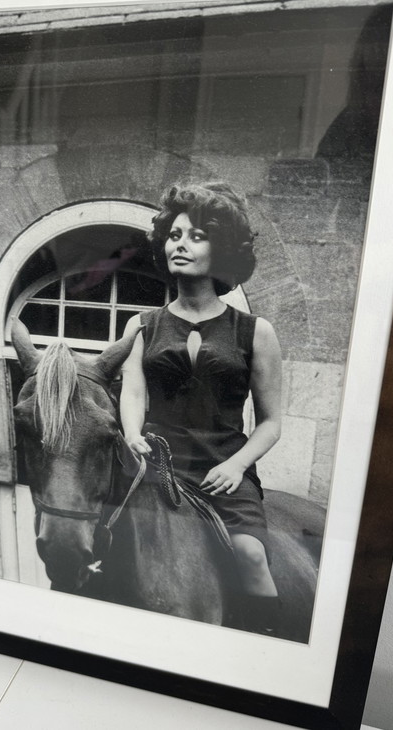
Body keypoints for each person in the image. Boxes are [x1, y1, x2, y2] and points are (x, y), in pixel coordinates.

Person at [120, 181, 282, 634]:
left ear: (223, 248)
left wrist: (236, 467)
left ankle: (265, 646)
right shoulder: (143, 325)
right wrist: (132, 434)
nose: (181, 245)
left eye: (196, 236)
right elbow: (133, 390)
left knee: (251, 555)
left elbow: (271, 423)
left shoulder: (256, 332)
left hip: (223, 472)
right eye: (174, 235)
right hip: (158, 468)